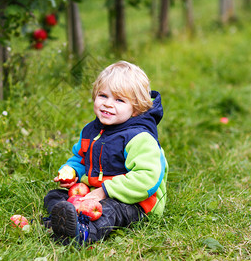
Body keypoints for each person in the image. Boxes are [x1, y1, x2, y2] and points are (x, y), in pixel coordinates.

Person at [44, 61, 168, 245]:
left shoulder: (139, 138)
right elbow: (80, 158)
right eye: (103, 96)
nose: (108, 104)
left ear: (136, 108)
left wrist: (104, 191)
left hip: (135, 200)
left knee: (111, 210)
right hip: (95, 192)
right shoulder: (91, 131)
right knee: (54, 196)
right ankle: (59, 222)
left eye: (119, 100)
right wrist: (71, 171)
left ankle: (84, 233)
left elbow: (146, 179)